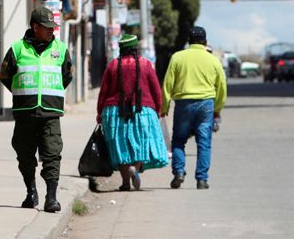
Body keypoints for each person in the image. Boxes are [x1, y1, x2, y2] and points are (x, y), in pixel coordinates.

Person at [0, 6, 73, 213]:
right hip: (25, 113)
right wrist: (24, 92)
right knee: (24, 154)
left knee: (52, 154)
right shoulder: (17, 49)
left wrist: (51, 93)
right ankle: (31, 192)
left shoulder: (60, 49)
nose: (52, 30)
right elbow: (5, 76)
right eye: (47, 27)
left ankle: (52, 197)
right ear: (35, 26)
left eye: (53, 27)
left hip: (50, 113)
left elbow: (66, 76)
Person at [96, 34, 169, 191]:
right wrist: (158, 109)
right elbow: (156, 89)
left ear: (121, 50)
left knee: (121, 145)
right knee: (140, 143)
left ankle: (125, 183)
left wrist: (99, 112)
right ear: (136, 49)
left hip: (115, 112)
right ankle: (135, 169)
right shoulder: (145, 64)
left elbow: (104, 91)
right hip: (142, 110)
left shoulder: (113, 65)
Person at [162, 26, 226, 190]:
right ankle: (202, 180)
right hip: (206, 104)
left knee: (178, 140)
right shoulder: (213, 60)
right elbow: (221, 87)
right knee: (204, 143)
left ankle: (178, 172)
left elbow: (168, 83)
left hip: (183, 103)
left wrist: (165, 106)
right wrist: (217, 108)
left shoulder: (177, 57)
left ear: (189, 41)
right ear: (205, 42)